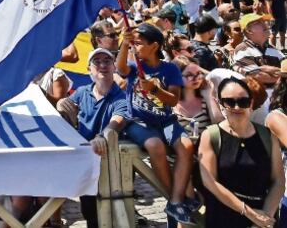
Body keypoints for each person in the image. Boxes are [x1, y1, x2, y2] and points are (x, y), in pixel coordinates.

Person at [117, 22, 196, 224]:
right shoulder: (135, 68)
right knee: (155, 146)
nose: (135, 47)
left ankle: (177, 199)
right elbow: (120, 67)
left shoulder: (170, 69)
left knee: (186, 146)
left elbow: (173, 100)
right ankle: (175, 198)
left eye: (139, 43)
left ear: (154, 46)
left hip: (166, 121)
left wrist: (154, 89)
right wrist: (124, 45)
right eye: (133, 43)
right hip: (138, 122)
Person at [57, 47, 130, 227]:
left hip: (112, 164)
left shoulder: (122, 97)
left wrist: (102, 136)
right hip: (86, 163)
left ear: (114, 67)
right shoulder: (82, 92)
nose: (102, 65)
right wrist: (61, 105)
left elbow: (117, 122)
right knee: (90, 213)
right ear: (89, 68)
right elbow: (64, 109)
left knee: (114, 214)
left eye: (107, 61)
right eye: (97, 62)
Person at [199, 76, 283, 228]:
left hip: (263, 218)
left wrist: (266, 217)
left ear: (251, 103)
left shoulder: (267, 136)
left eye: (243, 102)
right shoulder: (210, 136)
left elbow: (278, 181)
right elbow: (211, 182)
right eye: (229, 102)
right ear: (221, 104)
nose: (237, 107)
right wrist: (251, 214)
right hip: (224, 217)